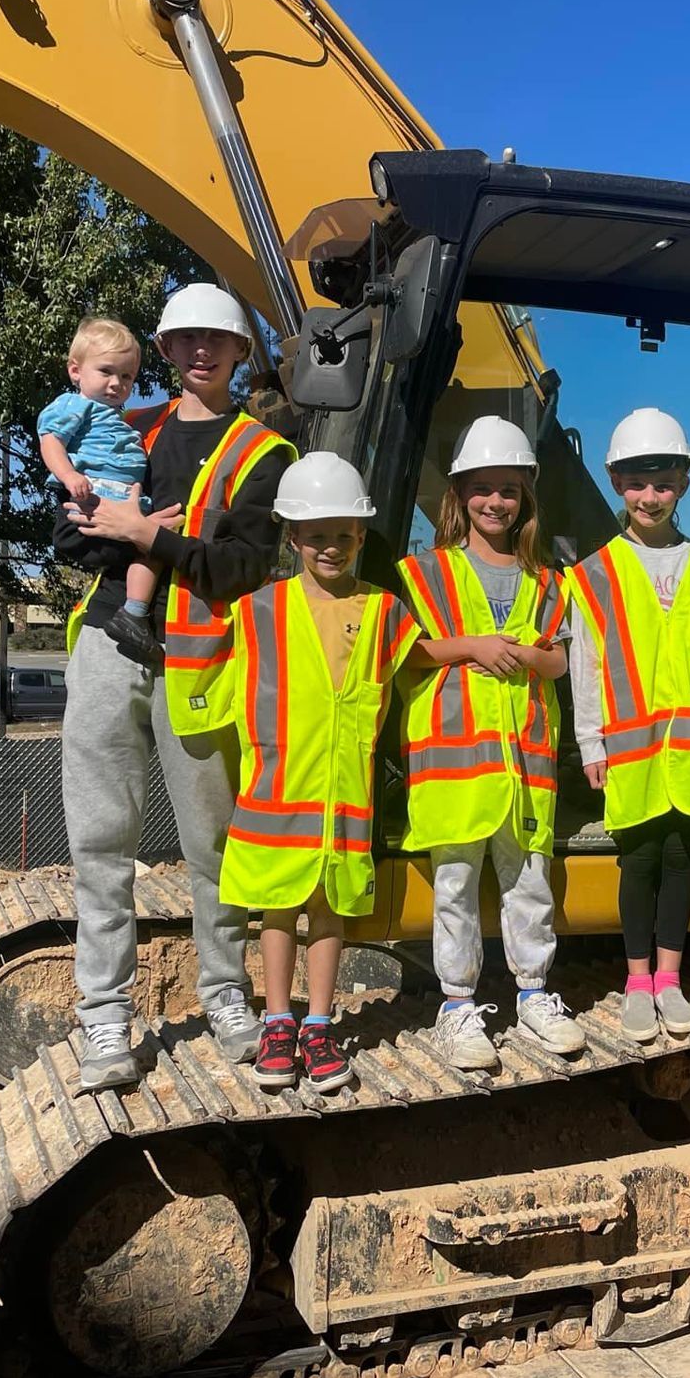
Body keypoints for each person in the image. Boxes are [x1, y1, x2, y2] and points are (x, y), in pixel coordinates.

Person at [55, 282, 296, 1093]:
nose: (200, 352)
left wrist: (143, 533)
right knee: (100, 840)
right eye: (184, 340)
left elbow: (241, 569)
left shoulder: (267, 454)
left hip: (201, 661)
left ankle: (227, 997)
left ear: (238, 353)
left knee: (213, 844)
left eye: (215, 341)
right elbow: (68, 533)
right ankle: (104, 1017)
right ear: (164, 350)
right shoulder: (122, 426)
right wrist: (122, 533)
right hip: (105, 648)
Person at [223, 452, 420, 1093]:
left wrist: (479, 649)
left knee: (329, 911)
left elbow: (418, 661)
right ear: (293, 538)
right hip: (279, 797)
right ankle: (277, 1020)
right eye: (317, 535)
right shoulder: (257, 612)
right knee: (278, 910)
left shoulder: (385, 611)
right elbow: (202, 668)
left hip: (342, 801)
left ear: (361, 536)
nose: (330, 546)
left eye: (343, 534)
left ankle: (317, 1023)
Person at [398, 416, 587, 1070]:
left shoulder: (548, 580)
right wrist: (473, 647)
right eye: (483, 489)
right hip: (455, 763)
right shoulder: (426, 573)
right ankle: (456, 1007)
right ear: (460, 496)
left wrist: (524, 659)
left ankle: (533, 995)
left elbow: (561, 663)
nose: (495, 502)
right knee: (455, 886)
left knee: (529, 883)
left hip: (526, 759)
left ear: (524, 498)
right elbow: (408, 653)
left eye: (508, 490)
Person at [566, 407, 690, 1042]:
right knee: (638, 861)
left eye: (663, 481)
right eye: (637, 482)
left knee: (681, 860)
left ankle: (670, 980)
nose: (651, 496)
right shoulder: (596, 574)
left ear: (684, 482)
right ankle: (637, 982)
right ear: (617, 483)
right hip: (632, 751)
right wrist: (590, 742)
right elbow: (585, 664)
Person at [35, 317, 163, 667]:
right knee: (150, 546)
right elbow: (51, 442)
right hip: (94, 497)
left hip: (126, 501)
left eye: (126, 377)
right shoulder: (73, 405)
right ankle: (134, 614)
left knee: (154, 547)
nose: (116, 383)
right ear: (75, 371)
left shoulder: (119, 418)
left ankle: (134, 615)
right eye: (106, 371)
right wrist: (68, 474)